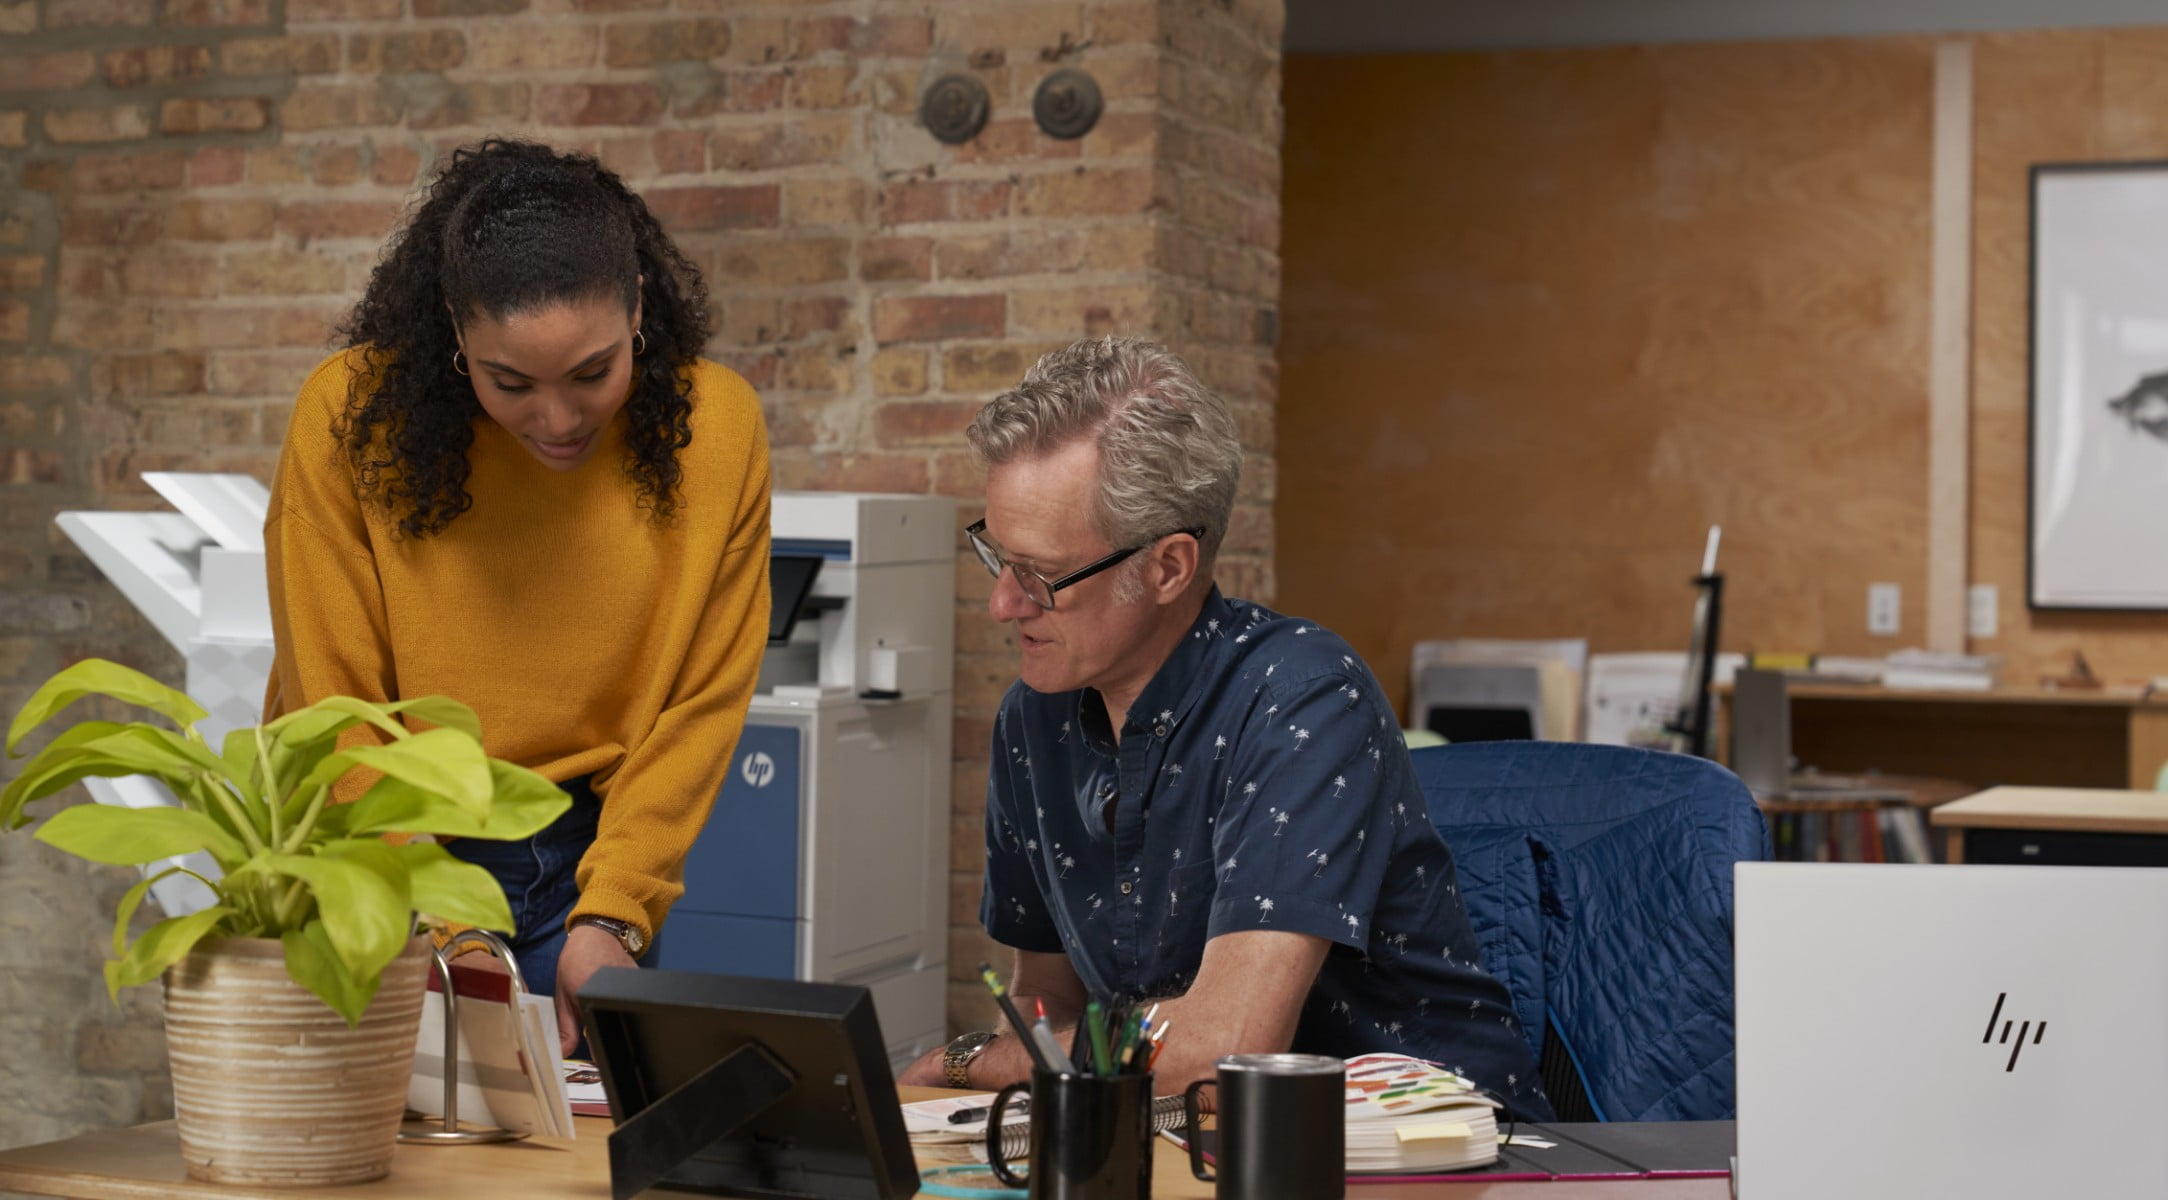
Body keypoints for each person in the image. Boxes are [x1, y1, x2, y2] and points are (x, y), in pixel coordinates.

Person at [898, 337, 1551, 1118]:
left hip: (1422, 1152)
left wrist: (969, 1063)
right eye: (996, 558)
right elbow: (1046, 1002)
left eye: (1040, 576)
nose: (1004, 604)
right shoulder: (1032, 717)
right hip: (1186, 1138)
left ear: (1169, 567)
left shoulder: (1302, 697)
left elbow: (1224, 1049)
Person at [263, 139, 772, 1053]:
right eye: (510, 383)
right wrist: (435, 914)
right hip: (380, 849)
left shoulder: (719, 429)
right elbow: (331, 699)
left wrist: (614, 913)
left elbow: (700, 704)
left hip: (589, 866)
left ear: (638, 310)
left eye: (592, 373)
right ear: (457, 335)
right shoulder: (349, 417)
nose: (558, 419)